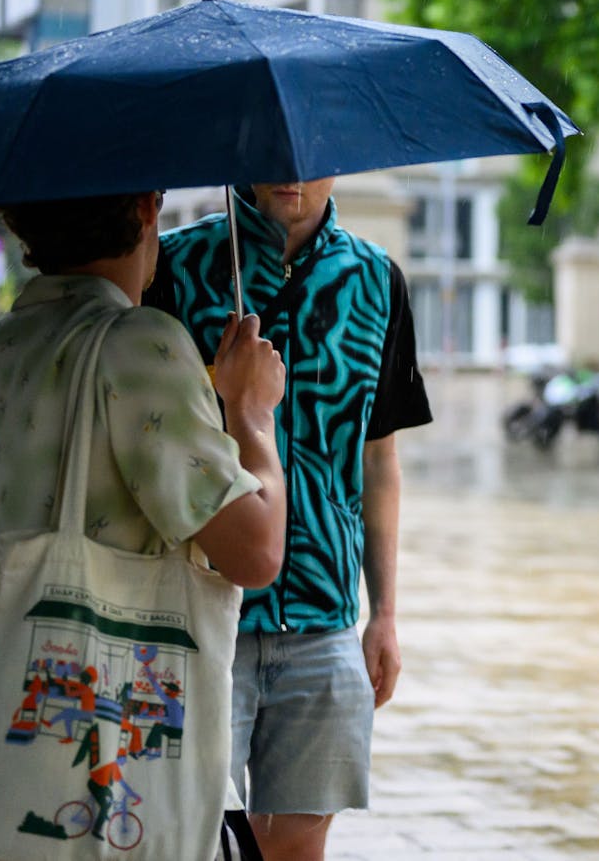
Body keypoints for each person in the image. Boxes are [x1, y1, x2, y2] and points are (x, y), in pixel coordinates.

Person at [0, 190, 289, 861]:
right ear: (146, 209)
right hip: (105, 821)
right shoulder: (139, 348)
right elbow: (256, 551)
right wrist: (252, 413)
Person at [148, 179, 432, 860]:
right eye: (272, 150)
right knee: (184, 840)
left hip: (325, 624)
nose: (293, 171)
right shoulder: (170, 272)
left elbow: (379, 461)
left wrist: (384, 613)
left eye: (311, 152)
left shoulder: (377, 281)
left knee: (299, 847)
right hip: (199, 619)